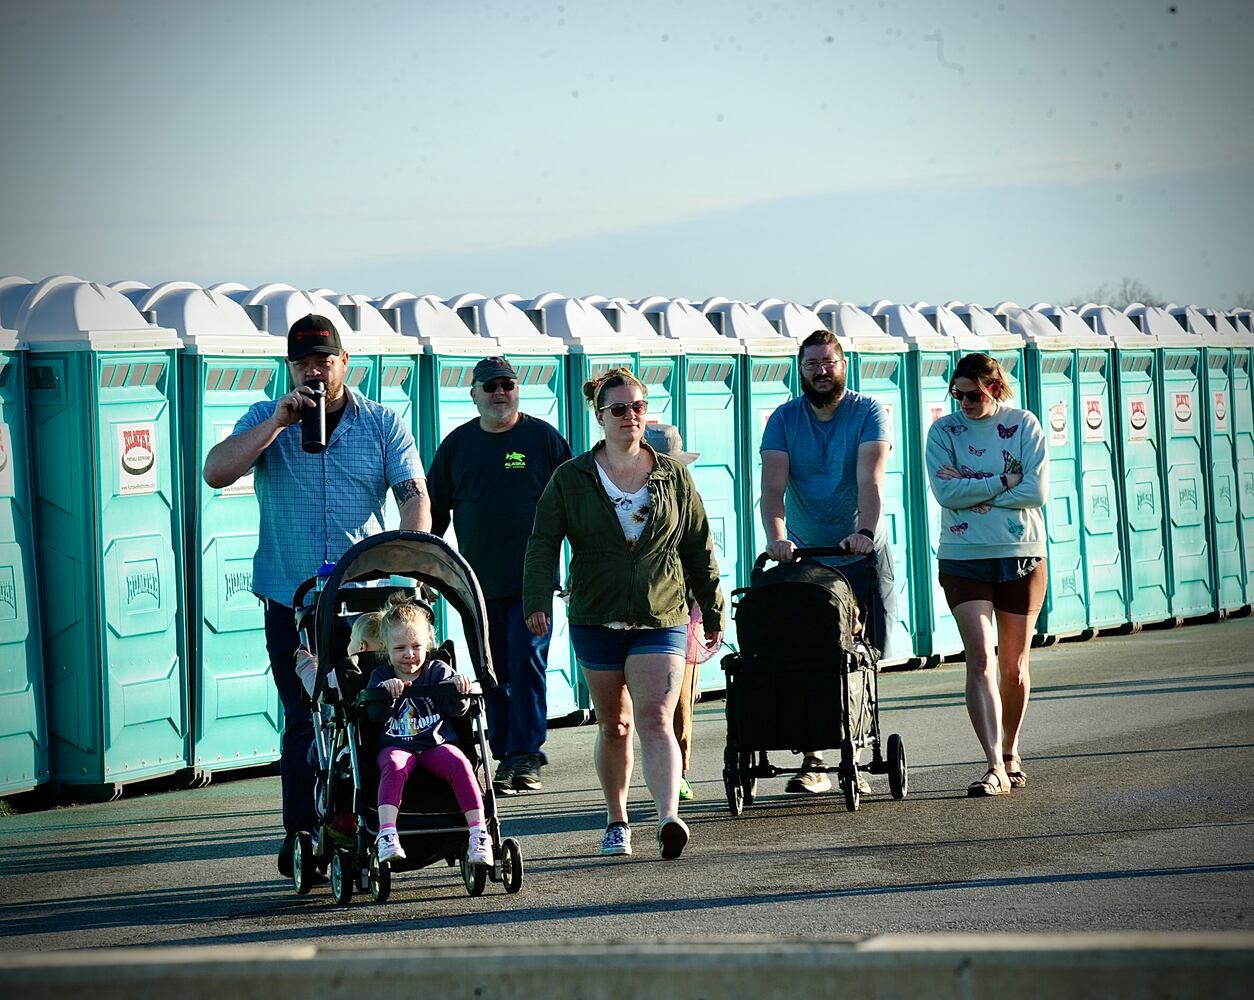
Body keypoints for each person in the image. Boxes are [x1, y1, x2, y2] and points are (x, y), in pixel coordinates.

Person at [202, 313, 431, 878]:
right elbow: (215, 471)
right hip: (291, 596)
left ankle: (381, 823)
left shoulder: (381, 423)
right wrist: (278, 422)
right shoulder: (267, 418)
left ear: (345, 362)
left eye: (324, 361)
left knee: (379, 706)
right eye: (304, 362)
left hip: (367, 603)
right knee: (304, 715)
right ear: (290, 367)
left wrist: (415, 557)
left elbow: (413, 496)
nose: (315, 371)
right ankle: (304, 832)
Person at [523, 369, 724, 860]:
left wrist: (713, 608)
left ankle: (668, 817)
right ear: (601, 417)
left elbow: (699, 545)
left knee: (656, 717)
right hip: (597, 614)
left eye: (637, 407)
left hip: (662, 612)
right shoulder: (571, 478)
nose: (630, 417)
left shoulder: (674, 476)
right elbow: (543, 541)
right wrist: (536, 599)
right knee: (614, 724)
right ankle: (617, 819)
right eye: (619, 409)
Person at [427, 356, 572, 796]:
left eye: (507, 384)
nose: (499, 393)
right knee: (491, 670)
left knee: (526, 662)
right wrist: (424, 577)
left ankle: (525, 755)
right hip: (475, 585)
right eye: (489, 386)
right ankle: (506, 755)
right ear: (473, 394)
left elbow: (575, 505)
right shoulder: (457, 446)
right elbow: (433, 515)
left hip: (533, 584)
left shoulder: (543, 439)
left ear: (518, 390)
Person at [760, 329, 894, 794]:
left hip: (857, 550)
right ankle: (814, 759)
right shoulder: (783, 419)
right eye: (812, 363)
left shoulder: (867, 412)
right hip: (805, 556)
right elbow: (772, 489)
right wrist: (777, 539)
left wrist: (865, 533)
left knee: (860, 654)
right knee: (805, 653)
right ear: (800, 369)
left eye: (829, 362)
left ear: (843, 365)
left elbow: (870, 480)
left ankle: (854, 750)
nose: (821, 370)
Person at [925, 353, 1048, 797]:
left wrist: (973, 487)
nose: (964, 403)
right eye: (956, 394)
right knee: (980, 658)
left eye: (972, 394)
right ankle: (994, 765)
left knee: (1013, 668)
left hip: (1022, 554)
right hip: (963, 556)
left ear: (994, 388)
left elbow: (1036, 491)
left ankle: (1012, 750)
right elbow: (945, 493)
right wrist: (1002, 481)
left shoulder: (1024, 425)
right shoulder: (944, 431)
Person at [368, 595, 491, 866]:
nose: (409, 654)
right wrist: (384, 696)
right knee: (393, 764)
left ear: (428, 645)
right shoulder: (380, 676)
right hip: (397, 744)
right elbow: (373, 716)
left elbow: (456, 710)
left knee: (460, 762)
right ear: (386, 648)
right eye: (400, 647)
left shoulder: (437, 670)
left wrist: (458, 687)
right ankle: (387, 833)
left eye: (416, 646)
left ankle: (478, 832)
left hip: (435, 742)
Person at [642, 422, 707, 802]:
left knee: (680, 703)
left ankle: (678, 771)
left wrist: (709, 607)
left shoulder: (687, 495)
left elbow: (702, 555)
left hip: (683, 611)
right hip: (629, 613)